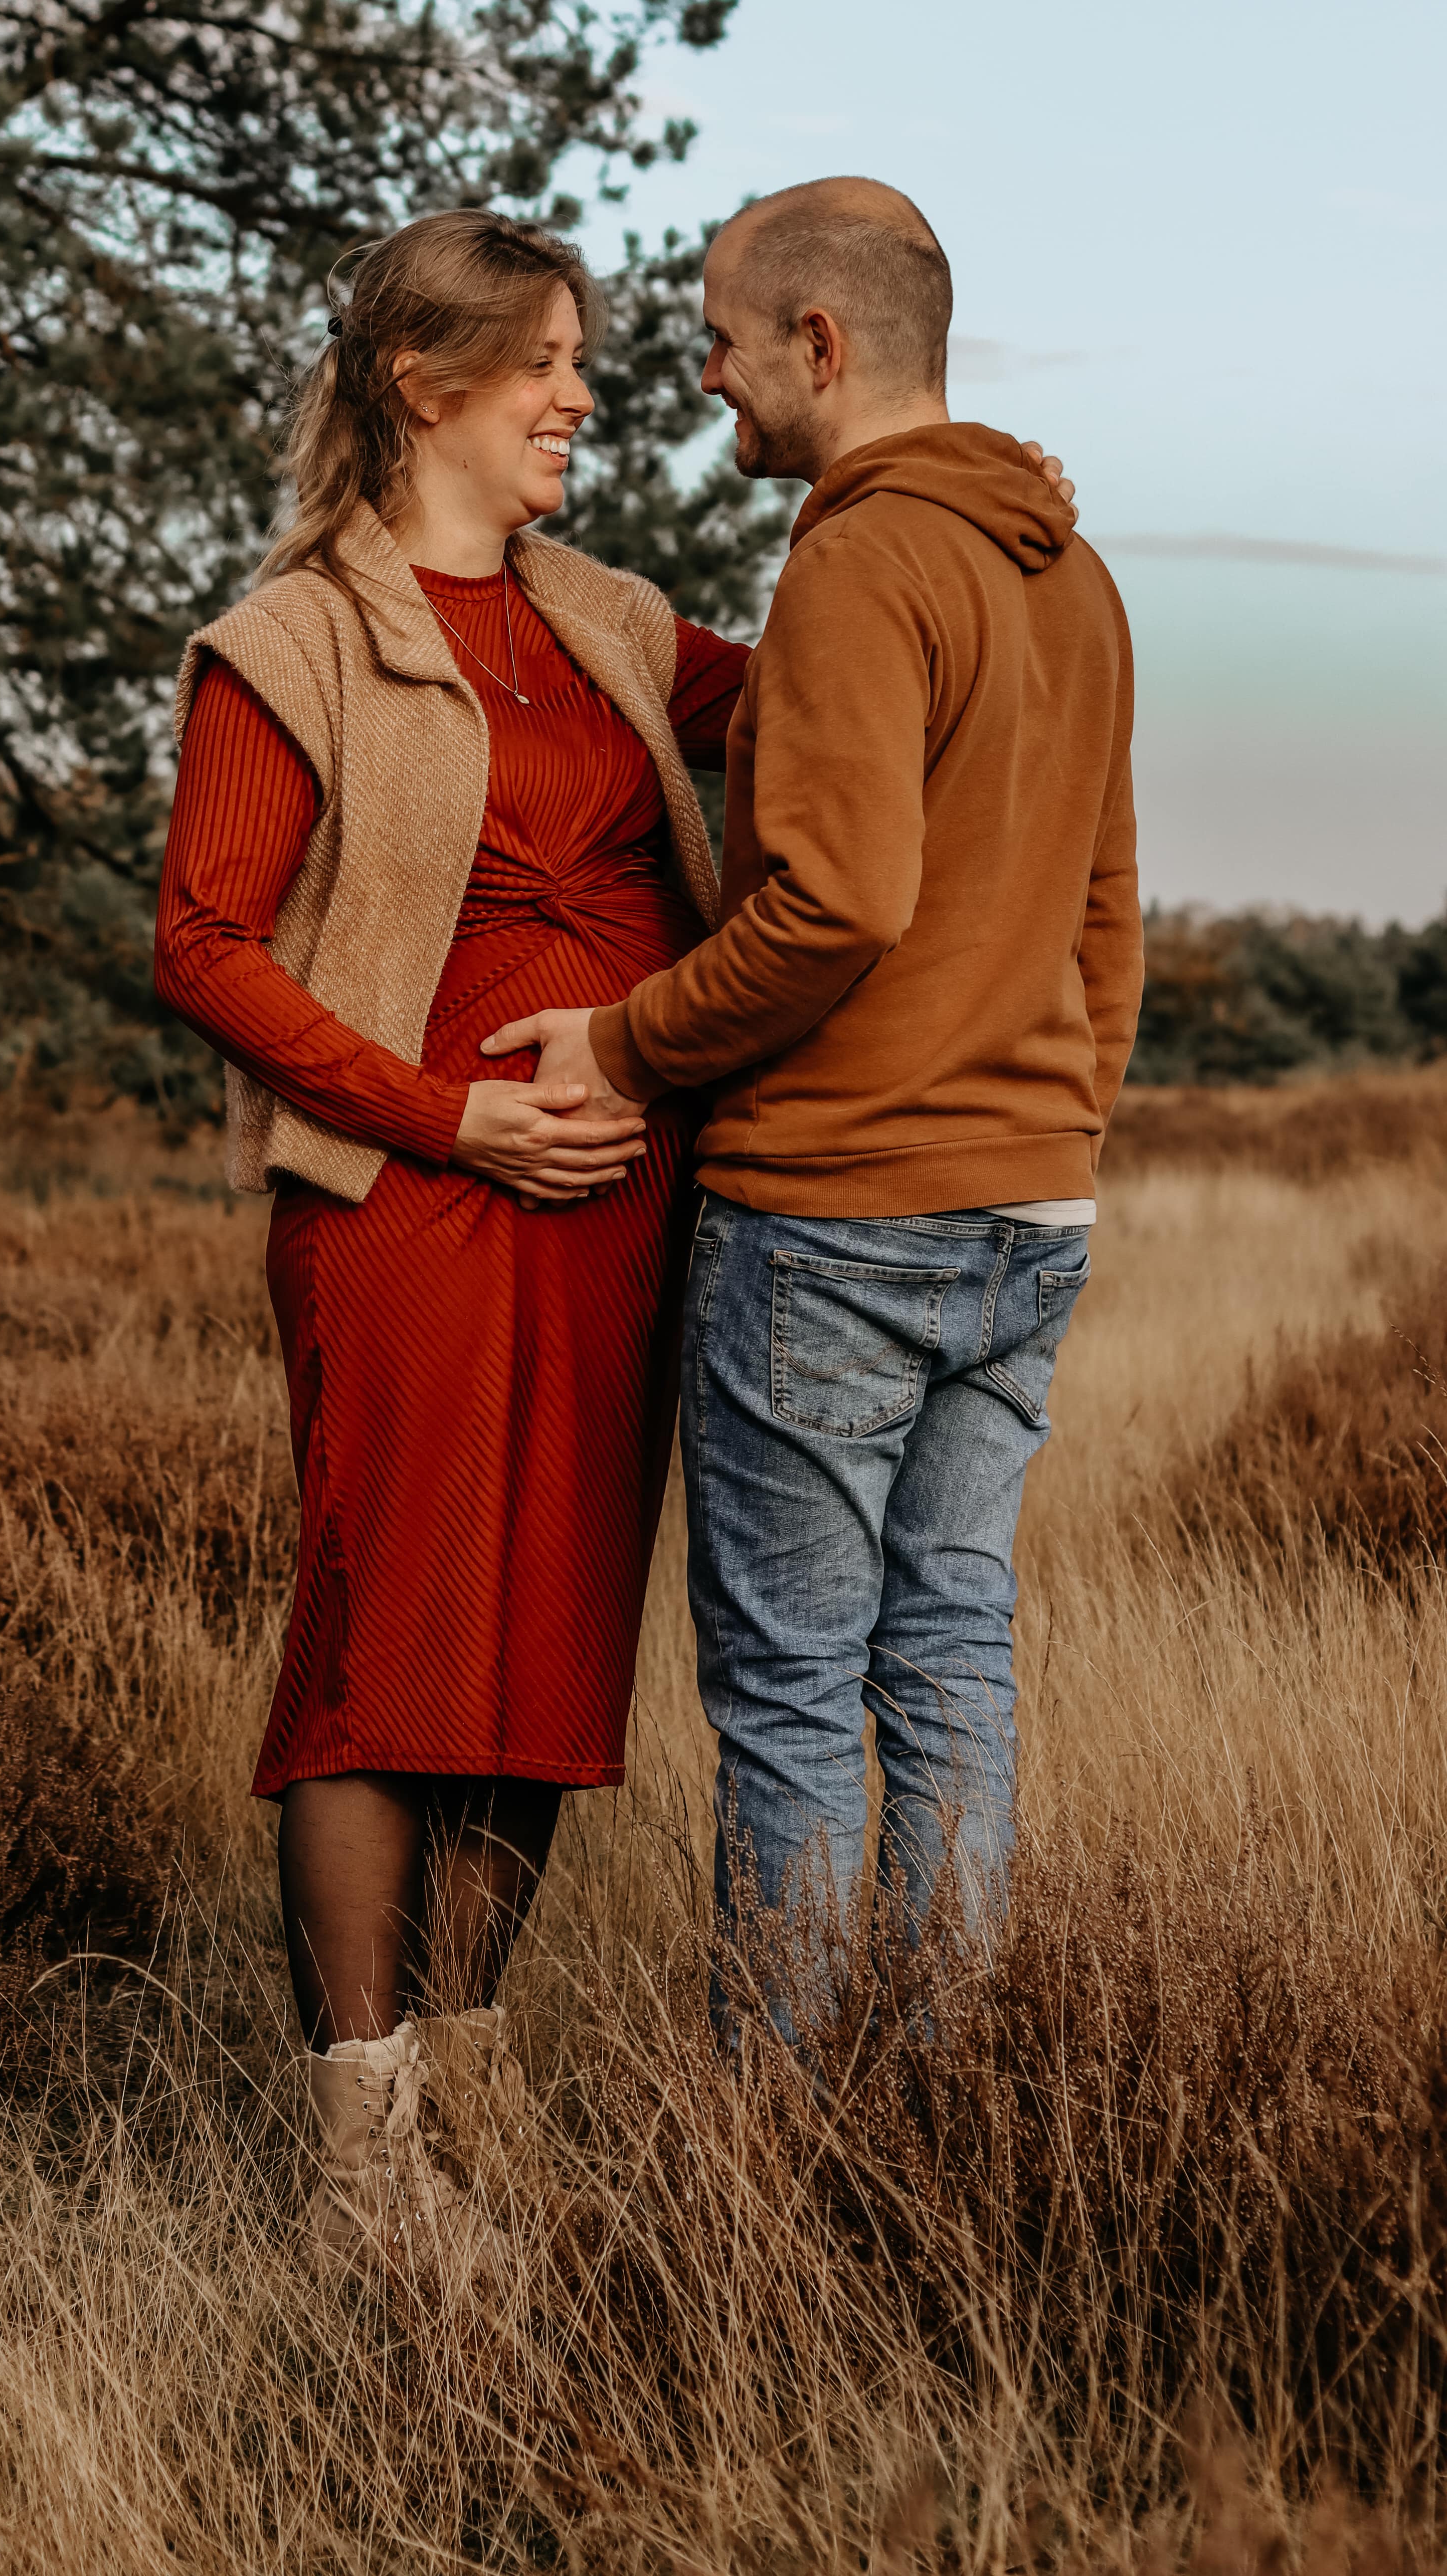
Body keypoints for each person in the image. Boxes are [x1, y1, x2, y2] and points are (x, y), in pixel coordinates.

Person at [152, 207, 743, 2276]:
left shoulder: (612, 616)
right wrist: (445, 1114)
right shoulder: (292, 636)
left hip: (612, 1213)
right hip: (401, 1204)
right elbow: (201, 940)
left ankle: (468, 2115)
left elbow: (849, 677)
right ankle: (358, 2167)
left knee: (545, 1654)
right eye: (547, 364)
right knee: (389, 1651)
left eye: (581, 362)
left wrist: (945, 495)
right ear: (426, 385)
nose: (582, 396)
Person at [486, 177, 1140, 2040]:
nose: (699, 378)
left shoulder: (860, 563)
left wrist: (617, 1044)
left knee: (785, 1696)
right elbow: (1108, 910)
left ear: (821, 343)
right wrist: (1055, 1130)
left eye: (715, 338)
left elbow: (835, 904)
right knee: (950, 1667)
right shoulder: (1068, 573)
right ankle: (944, 2113)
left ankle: (775, 2151)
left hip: (837, 1224)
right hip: (1030, 1217)